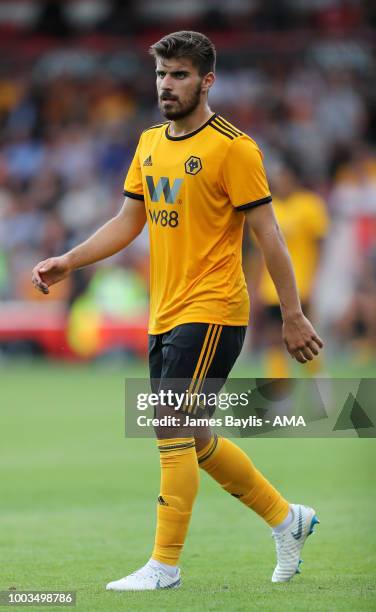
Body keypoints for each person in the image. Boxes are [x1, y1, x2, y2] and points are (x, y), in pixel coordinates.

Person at [32, 31, 323, 591]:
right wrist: (70, 259)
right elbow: (128, 220)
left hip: (214, 309)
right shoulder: (148, 143)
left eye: (180, 75)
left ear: (207, 81)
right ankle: (288, 520)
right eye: (162, 74)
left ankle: (164, 565)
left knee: (170, 425)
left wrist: (292, 313)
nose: (167, 85)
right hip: (165, 312)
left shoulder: (233, 147)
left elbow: (269, 234)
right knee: (193, 436)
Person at [254, 160, 329, 377]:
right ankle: (279, 391)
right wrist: (256, 286)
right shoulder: (269, 207)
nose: (280, 182)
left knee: (307, 338)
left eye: (284, 176)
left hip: (301, 285)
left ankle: (319, 382)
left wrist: (316, 280)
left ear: (294, 177)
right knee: (273, 340)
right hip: (270, 288)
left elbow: (319, 246)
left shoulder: (309, 205)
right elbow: (260, 253)